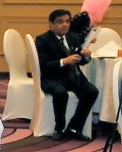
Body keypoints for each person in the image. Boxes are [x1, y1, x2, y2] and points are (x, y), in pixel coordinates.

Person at [34, 8, 99, 141]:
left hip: (72, 76)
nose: (65, 24)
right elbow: (44, 65)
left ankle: (75, 128)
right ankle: (59, 128)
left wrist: (86, 56)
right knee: (60, 93)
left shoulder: (73, 37)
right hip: (52, 78)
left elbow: (81, 61)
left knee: (92, 91)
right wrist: (64, 61)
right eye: (60, 22)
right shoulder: (43, 40)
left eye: (67, 21)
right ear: (51, 24)